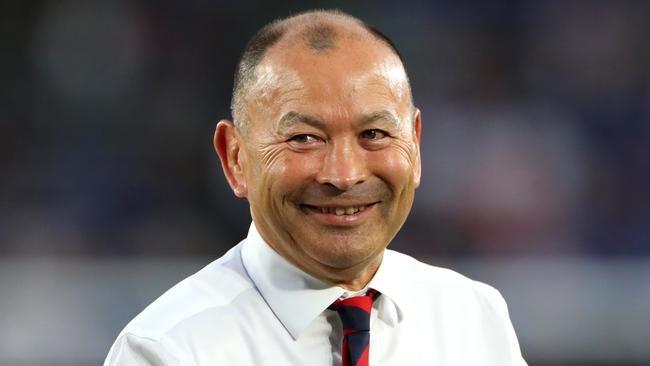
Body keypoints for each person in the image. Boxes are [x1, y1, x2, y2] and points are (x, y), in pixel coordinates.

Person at [104, 9, 526, 366]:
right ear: (235, 157)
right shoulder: (168, 351)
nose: (343, 175)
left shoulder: (474, 319)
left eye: (375, 133)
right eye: (304, 138)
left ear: (414, 145)